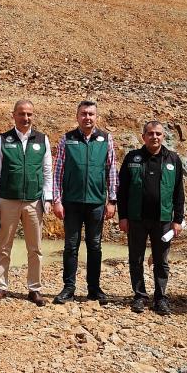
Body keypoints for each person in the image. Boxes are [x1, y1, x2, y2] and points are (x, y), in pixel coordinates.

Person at [0, 99, 53, 305]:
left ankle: (34, 289)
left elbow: (47, 171)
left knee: (35, 248)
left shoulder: (42, 139)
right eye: (22, 114)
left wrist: (48, 197)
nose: (26, 118)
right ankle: (1, 287)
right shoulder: (3, 140)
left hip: (34, 202)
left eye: (29, 114)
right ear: (14, 115)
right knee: (3, 246)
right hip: (8, 201)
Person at [51, 100, 118, 305]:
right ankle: (68, 288)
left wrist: (112, 200)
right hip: (71, 202)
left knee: (95, 246)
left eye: (91, 114)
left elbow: (111, 170)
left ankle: (94, 288)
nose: (87, 117)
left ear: (96, 117)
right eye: (83, 114)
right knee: (71, 246)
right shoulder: (67, 139)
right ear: (77, 116)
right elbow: (58, 171)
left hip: (96, 202)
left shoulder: (106, 139)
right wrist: (56, 200)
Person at [117, 120, 185, 315]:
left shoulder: (173, 159)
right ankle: (139, 296)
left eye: (158, 134)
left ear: (163, 136)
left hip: (163, 219)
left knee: (161, 260)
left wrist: (178, 220)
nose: (154, 137)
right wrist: (123, 217)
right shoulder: (132, 158)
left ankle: (160, 298)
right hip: (137, 218)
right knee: (136, 258)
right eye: (151, 133)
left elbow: (178, 192)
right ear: (143, 137)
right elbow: (123, 190)